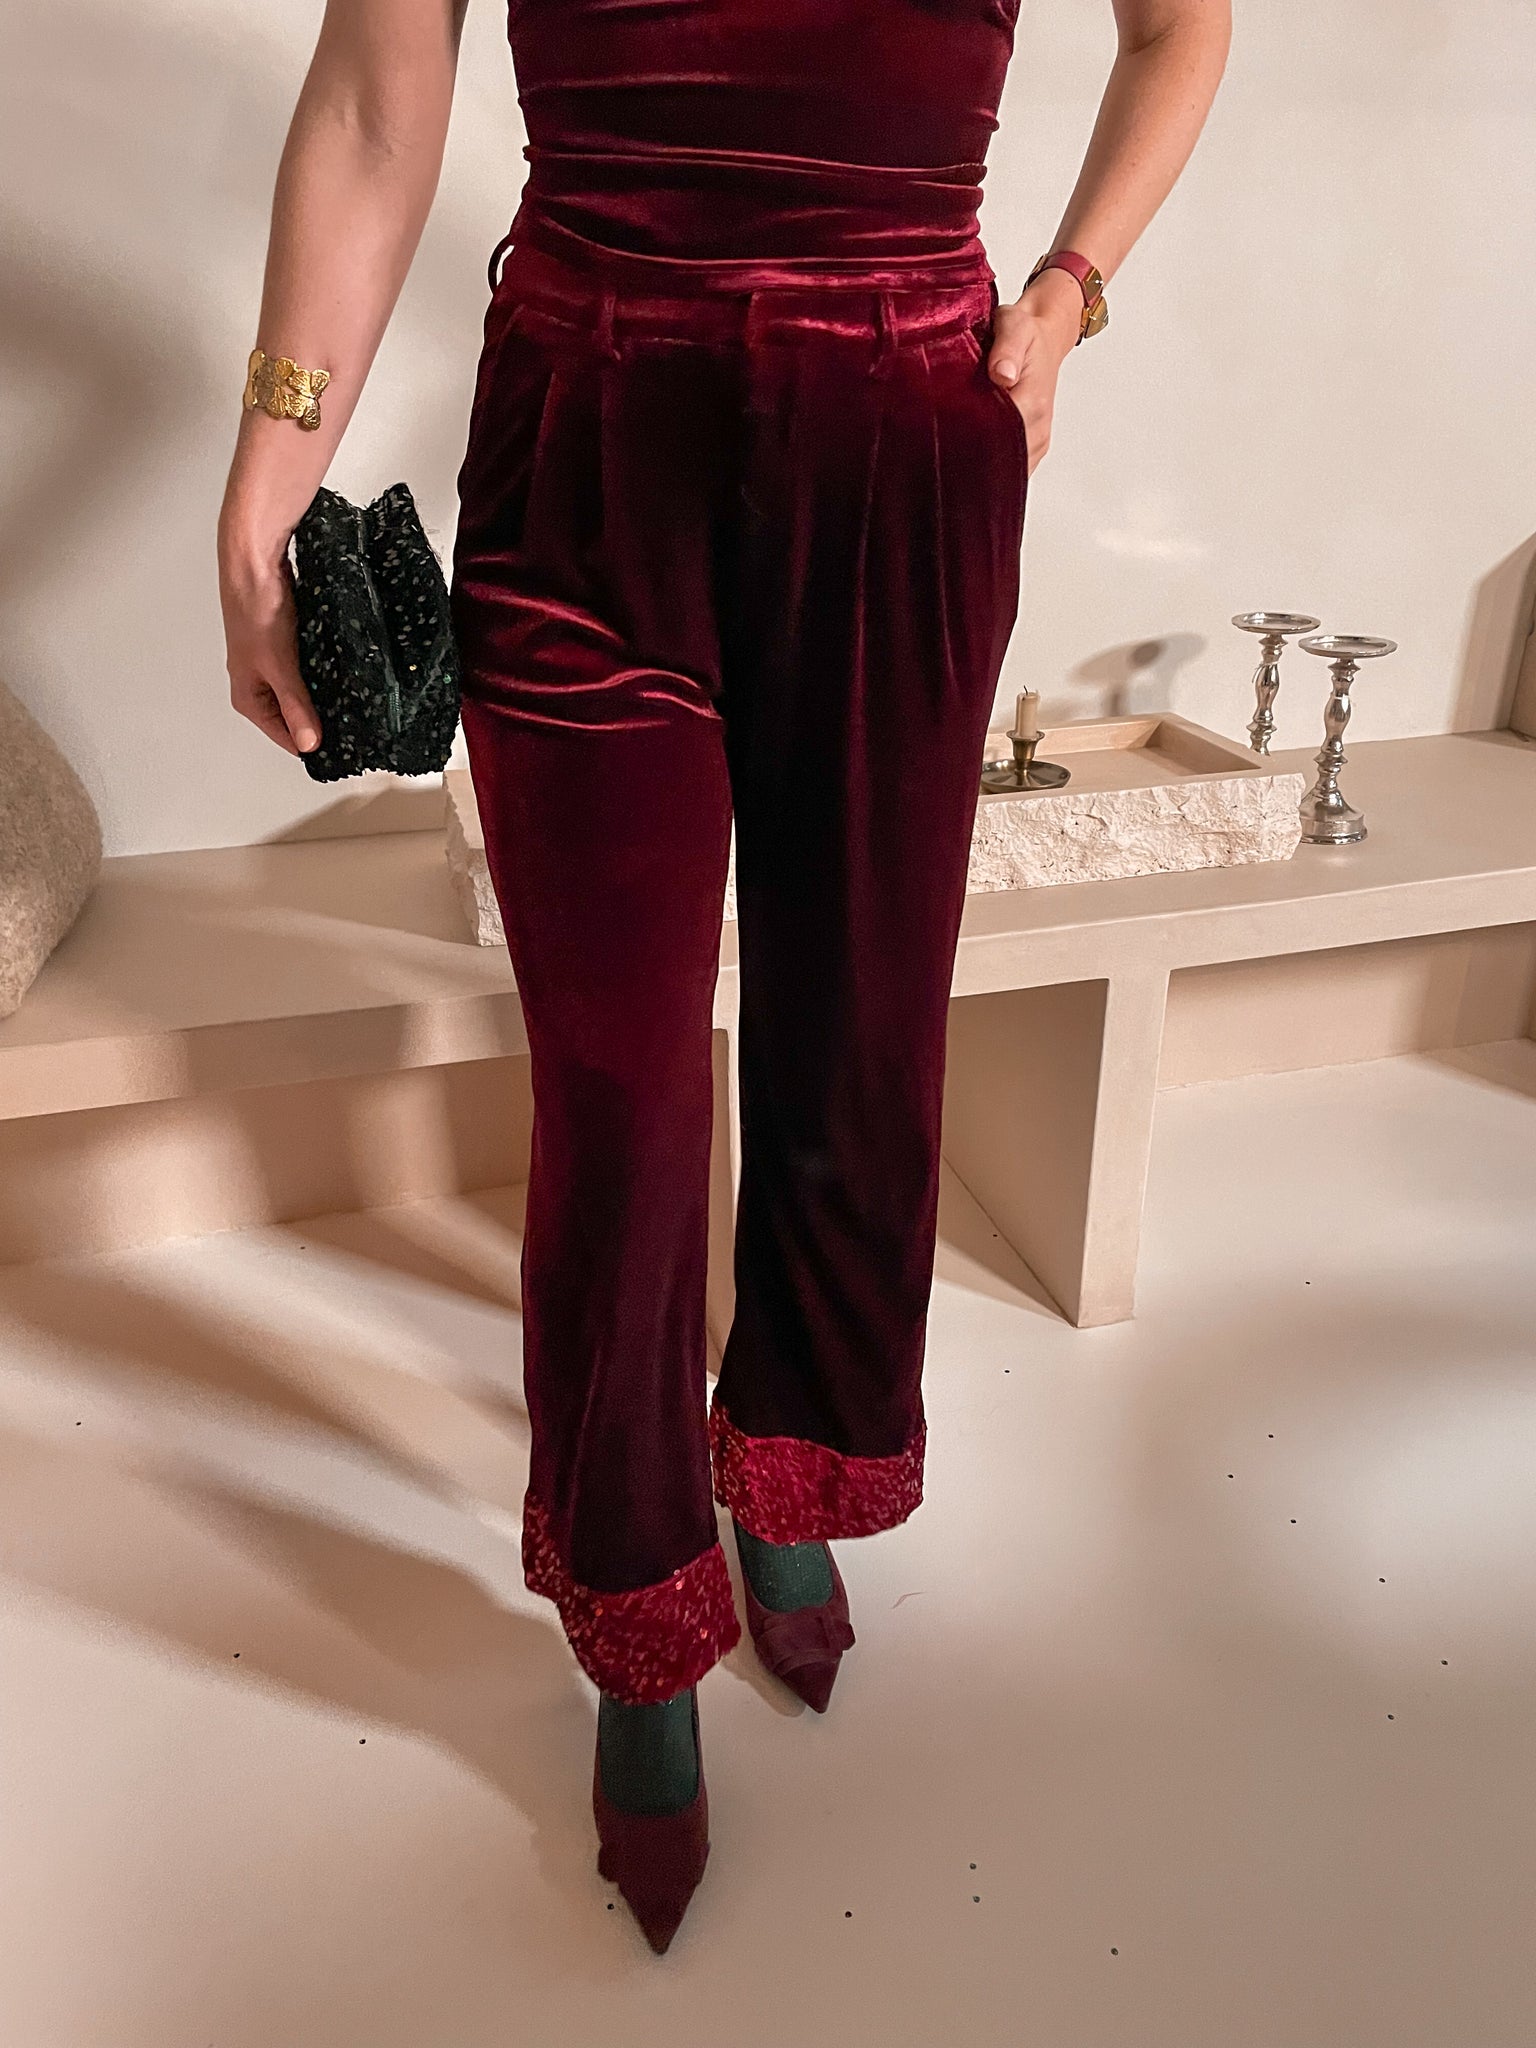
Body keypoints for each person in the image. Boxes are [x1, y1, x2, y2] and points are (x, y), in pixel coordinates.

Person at [219, 0, 1230, 1952]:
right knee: (620, 1089)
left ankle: (791, 1461)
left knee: (861, 1036)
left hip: (905, 426)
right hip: (586, 433)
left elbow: (1181, 22)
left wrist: (1071, 289)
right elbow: (371, 94)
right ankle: (639, 1609)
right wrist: (271, 470)